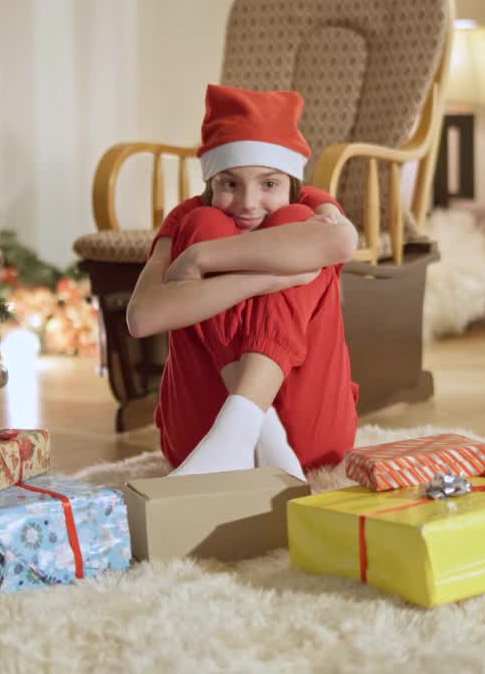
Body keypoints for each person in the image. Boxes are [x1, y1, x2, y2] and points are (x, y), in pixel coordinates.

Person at [126, 84, 360, 479]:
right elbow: (141, 317)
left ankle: (241, 426)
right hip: (199, 433)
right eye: (229, 184)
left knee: (295, 223)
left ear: (290, 181)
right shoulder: (190, 216)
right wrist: (265, 278)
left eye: (269, 184)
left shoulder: (308, 205)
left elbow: (343, 242)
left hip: (309, 435)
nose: (248, 203)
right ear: (211, 181)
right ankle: (250, 426)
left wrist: (201, 260)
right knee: (204, 223)